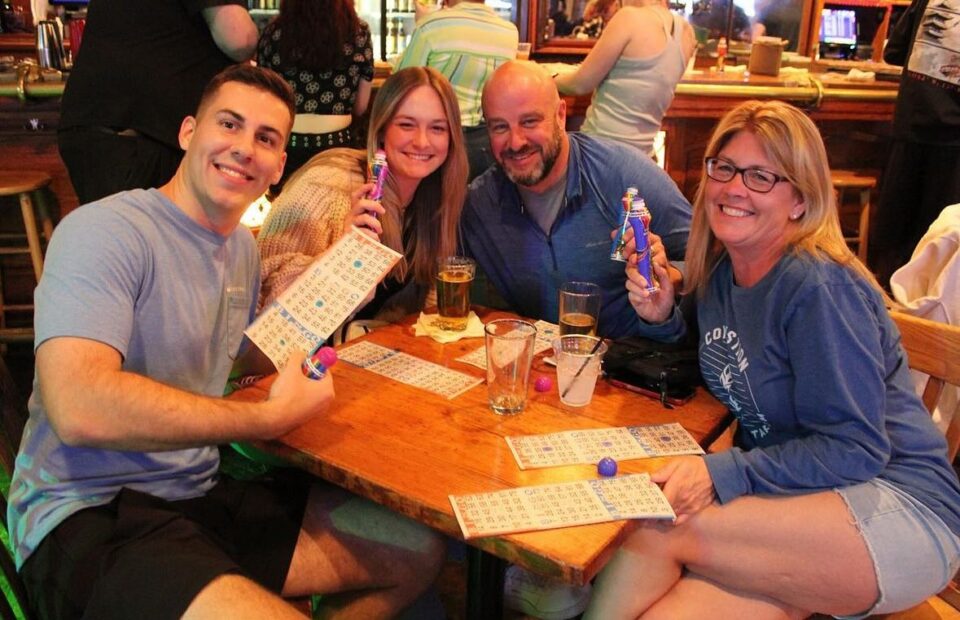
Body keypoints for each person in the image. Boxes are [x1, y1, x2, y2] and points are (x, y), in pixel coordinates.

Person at [9, 64, 445, 619]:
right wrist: (265, 418)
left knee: (416, 549)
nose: (244, 148)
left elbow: (234, 363)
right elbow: (79, 408)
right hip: (93, 513)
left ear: (279, 165)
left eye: (266, 138)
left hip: (196, 494)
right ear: (188, 132)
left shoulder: (239, 249)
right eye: (230, 124)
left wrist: (335, 273)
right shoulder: (106, 231)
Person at [587, 100, 960, 618]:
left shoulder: (818, 287)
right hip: (797, 498)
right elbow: (722, 361)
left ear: (801, 200)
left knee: (653, 524)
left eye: (761, 176)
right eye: (725, 168)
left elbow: (856, 447)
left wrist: (722, 473)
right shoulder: (724, 273)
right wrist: (664, 311)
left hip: (896, 507)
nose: (734, 188)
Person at [461, 61, 692, 339]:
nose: (516, 142)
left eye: (529, 121)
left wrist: (669, 275)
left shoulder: (623, 175)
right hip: (541, 358)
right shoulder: (479, 205)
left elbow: (714, 260)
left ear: (560, 115)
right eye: (500, 127)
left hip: (638, 357)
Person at [258, 66, 469, 324]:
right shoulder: (327, 185)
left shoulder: (436, 194)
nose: (422, 142)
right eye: (406, 125)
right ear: (381, 130)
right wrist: (342, 257)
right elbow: (264, 298)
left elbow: (425, 306)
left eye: (437, 128)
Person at [57, 0, 258, 206]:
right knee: (143, 224)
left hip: (110, 126)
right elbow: (239, 38)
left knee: (123, 223)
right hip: (138, 136)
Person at [869, 0, 960, 287]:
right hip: (953, 138)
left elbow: (894, 52)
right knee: (938, 239)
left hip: (910, 124)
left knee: (894, 227)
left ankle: (880, 297)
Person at [554, 0, 696, 159]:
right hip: (642, 161)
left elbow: (579, 85)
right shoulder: (687, 32)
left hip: (598, 155)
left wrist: (547, 78)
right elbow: (635, 80)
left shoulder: (629, 18)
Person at [395, 0, 518, 181]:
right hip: (485, 143)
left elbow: (400, 85)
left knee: (435, 197)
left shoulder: (431, 25)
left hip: (439, 141)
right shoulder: (509, 31)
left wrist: (422, 23)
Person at [257, 0, 374, 188]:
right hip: (337, 144)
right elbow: (360, 107)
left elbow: (264, 99)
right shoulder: (358, 33)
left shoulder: (273, 32)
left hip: (286, 144)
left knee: (284, 205)